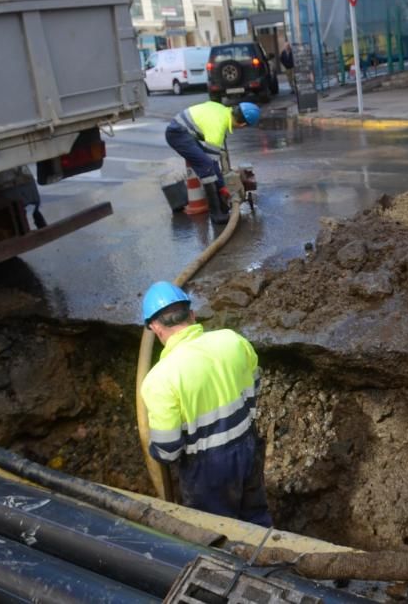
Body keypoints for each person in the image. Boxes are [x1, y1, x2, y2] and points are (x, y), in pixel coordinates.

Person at [140, 281, 272, 526]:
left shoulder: (159, 380)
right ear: (192, 314)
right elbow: (254, 385)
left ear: (155, 327)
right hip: (247, 445)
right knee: (256, 519)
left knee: (217, 533)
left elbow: (168, 450)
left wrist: (155, 451)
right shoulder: (233, 340)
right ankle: (273, 559)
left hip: (209, 469)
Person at [165, 100, 261, 225]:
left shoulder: (221, 110)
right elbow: (212, 163)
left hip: (183, 130)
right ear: (242, 124)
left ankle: (220, 207)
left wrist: (221, 186)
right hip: (178, 134)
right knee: (206, 167)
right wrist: (222, 187)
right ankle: (216, 214)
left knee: (207, 165)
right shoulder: (218, 127)